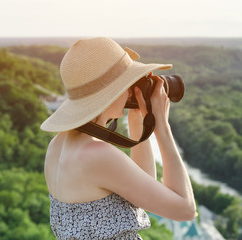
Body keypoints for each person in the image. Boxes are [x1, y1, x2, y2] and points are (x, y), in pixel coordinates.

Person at [41, 37, 196, 240]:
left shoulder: (57, 146)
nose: (131, 89)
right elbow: (185, 210)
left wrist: (138, 121)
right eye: (127, 83)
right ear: (111, 92)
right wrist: (162, 127)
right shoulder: (97, 155)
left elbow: (142, 194)